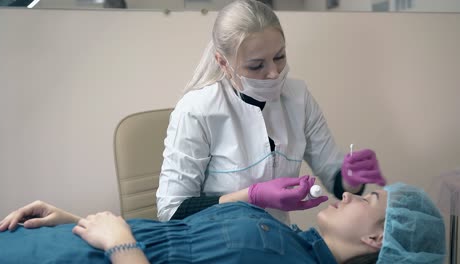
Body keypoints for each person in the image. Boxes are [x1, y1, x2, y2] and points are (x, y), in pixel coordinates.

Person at [156, 0, 387, 223]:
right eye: (257, 65)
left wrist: (351, 179)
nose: (274, 73)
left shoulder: (299, 98)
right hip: (216, 244)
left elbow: (335, 180)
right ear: (223, 62)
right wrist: (251, 197)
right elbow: (171, 211)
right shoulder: (197, 110)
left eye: (280, 57)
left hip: (277, 240)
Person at [0, 182, 446, 264]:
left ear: (376, 238)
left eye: (369, 198)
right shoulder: (295, 240)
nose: (347, 193)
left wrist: (118, 244)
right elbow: (177, 236)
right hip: (70, 240)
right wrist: (77, 219)